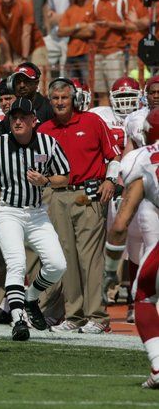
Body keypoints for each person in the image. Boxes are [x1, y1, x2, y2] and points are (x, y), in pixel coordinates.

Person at [0, 97, 70, 340]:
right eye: (14, 117)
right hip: (6, 209)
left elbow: (65, 176)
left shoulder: (48, 143)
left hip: (36, 210)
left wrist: (46, 181)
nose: (17, 121)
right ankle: (18, 319)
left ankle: (30, 298)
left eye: (23, 117)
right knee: (17, 262)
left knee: (57, 264)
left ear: (33, 120)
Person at [39, 78, 121, 333]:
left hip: (89, 195)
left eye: (64, 97)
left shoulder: (92, 121)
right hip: (57, 195)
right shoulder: (44, 130)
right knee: (66, 259)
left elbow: (114, 155)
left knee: (90, 259)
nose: (60, 102)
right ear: (50, 101)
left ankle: (96, 315)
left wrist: (110, 179)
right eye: (55, 98)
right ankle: (73, 316)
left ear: (73, 99)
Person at [105, 108, 159, 389]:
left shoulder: (141, 157)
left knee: (144, 295)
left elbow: (120, 223)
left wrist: (111, 270)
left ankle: (158, 364)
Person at [0, 62, 54, 134]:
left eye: (26, 81)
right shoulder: (12, 108)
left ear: (36, 83)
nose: (22, 85)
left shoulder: (48, 108)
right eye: (18, 81)